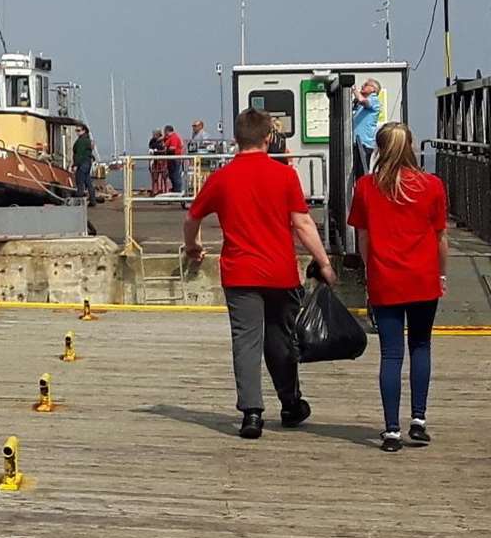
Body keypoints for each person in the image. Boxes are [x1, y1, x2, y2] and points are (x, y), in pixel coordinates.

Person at [183, 107, 338, 439]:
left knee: (246, 341)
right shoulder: (284, 176)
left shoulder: (222, 177)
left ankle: (252, 413)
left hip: (239, 272)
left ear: (237, 139)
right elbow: (302, 223)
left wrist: (193, 246)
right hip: (279, 271)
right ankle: (290, 403)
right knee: (281, 339)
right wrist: (323, 262)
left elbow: (192, 217)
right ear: (269, 137)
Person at [349, 122, 449, 452]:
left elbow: (362, 237)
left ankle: (391, 430)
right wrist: (442, 275)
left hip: (385, 278)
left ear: (378, 148)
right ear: (411, 146)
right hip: (423, 278)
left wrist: (369, 271)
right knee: (421, 345)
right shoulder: (431, 185)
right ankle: (418, 421)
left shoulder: (366, 186)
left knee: (391, 354)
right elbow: (440, 238)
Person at [352, 78, 382, 175]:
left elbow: (363, 100)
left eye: (366, 85)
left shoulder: (374, 99)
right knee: (356, 173)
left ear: (373, 89)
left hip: (363, 144)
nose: (362, 86)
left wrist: (354, 90)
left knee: (361, 173)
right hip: (357, 143)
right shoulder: (360, 106)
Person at [162, 124, 186, 194]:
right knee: (172, 175)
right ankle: (175, 190)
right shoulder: (169, 138)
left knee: (175, 175)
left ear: (167, 131)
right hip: (171, 160)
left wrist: (164, 151)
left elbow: (173, 148)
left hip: (175, 159)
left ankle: (177, 191)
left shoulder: (174, 137)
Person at [72, 130, 96, 202]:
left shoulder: (81, 141)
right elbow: (87, 152)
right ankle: (92, 200)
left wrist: (75, 165)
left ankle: (79, 201)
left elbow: (79, 153)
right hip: (87, 163)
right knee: (88, 182)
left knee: (80, 182)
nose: (77, 132)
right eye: (76, 130)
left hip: (82, 163)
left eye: (78, 130)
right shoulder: (88, 140)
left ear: (84, 131)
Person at [148, 131, 168, 195]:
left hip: (162, 162)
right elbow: (150, 150)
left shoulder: (164, 141)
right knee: (155, 178)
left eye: (156, 134)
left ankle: (164, 191)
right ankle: (155, 191)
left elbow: (165, 150)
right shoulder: (152, 142)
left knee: (164, 177)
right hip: (155, 162)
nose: (154, 136)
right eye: (154, 134)